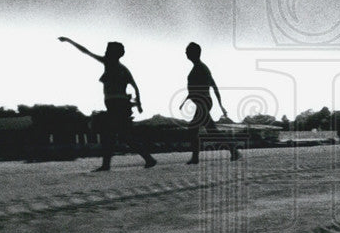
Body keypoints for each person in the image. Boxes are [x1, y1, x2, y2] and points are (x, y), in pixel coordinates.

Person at [58, 36, 156, 171]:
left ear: (113, 53)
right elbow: (135, 86)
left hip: (117, 105)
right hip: (118, 104)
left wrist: (69, 41)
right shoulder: (122, 68)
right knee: (119, 134)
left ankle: (109, 165)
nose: (105, 52)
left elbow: (86, 51)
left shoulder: (110, 63)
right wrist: (139, 104)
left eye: (107, 50)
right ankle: (147, 159)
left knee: (111, 133)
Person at [179, 41, 241, 164]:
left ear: (193, 53)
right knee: (205, 130)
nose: (185, 53)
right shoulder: (199, 68)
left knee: (197, 130)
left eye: (187, 51)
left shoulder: (201, 68)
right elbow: (194, 89)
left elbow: (213, 86)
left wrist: (221, 105)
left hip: (203, 103)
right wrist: (185, 101)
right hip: (202, 103)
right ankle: (232, 150)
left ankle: (233, 150)